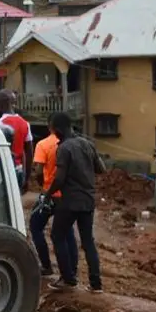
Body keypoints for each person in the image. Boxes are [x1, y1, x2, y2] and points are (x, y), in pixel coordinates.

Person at [44, 113, 107, 293]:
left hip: (70, 201)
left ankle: (68, 278)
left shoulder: (64, 148)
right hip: (88, 200)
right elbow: (101, 169)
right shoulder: (87, 144)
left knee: (58, 235)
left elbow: (60, 178)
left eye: (52, 128)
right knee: (88, 241)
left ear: (57, 129)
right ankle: (96, 284)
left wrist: (48, 194)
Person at [30, 113, 79, 277]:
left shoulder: (43, 145)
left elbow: (38, 171)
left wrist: (44, 186)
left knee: (36, 226)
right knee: (67, 231)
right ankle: (73, 269)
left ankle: (46, 265)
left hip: (49, 194)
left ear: (49, 126)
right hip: (66, 195)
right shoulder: (71, 145)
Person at [0, 89, 33, 193]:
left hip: (2, 171)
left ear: (0, 106)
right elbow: (29, 153)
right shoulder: (25, 123)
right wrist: (27, 178)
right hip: (19, 170)